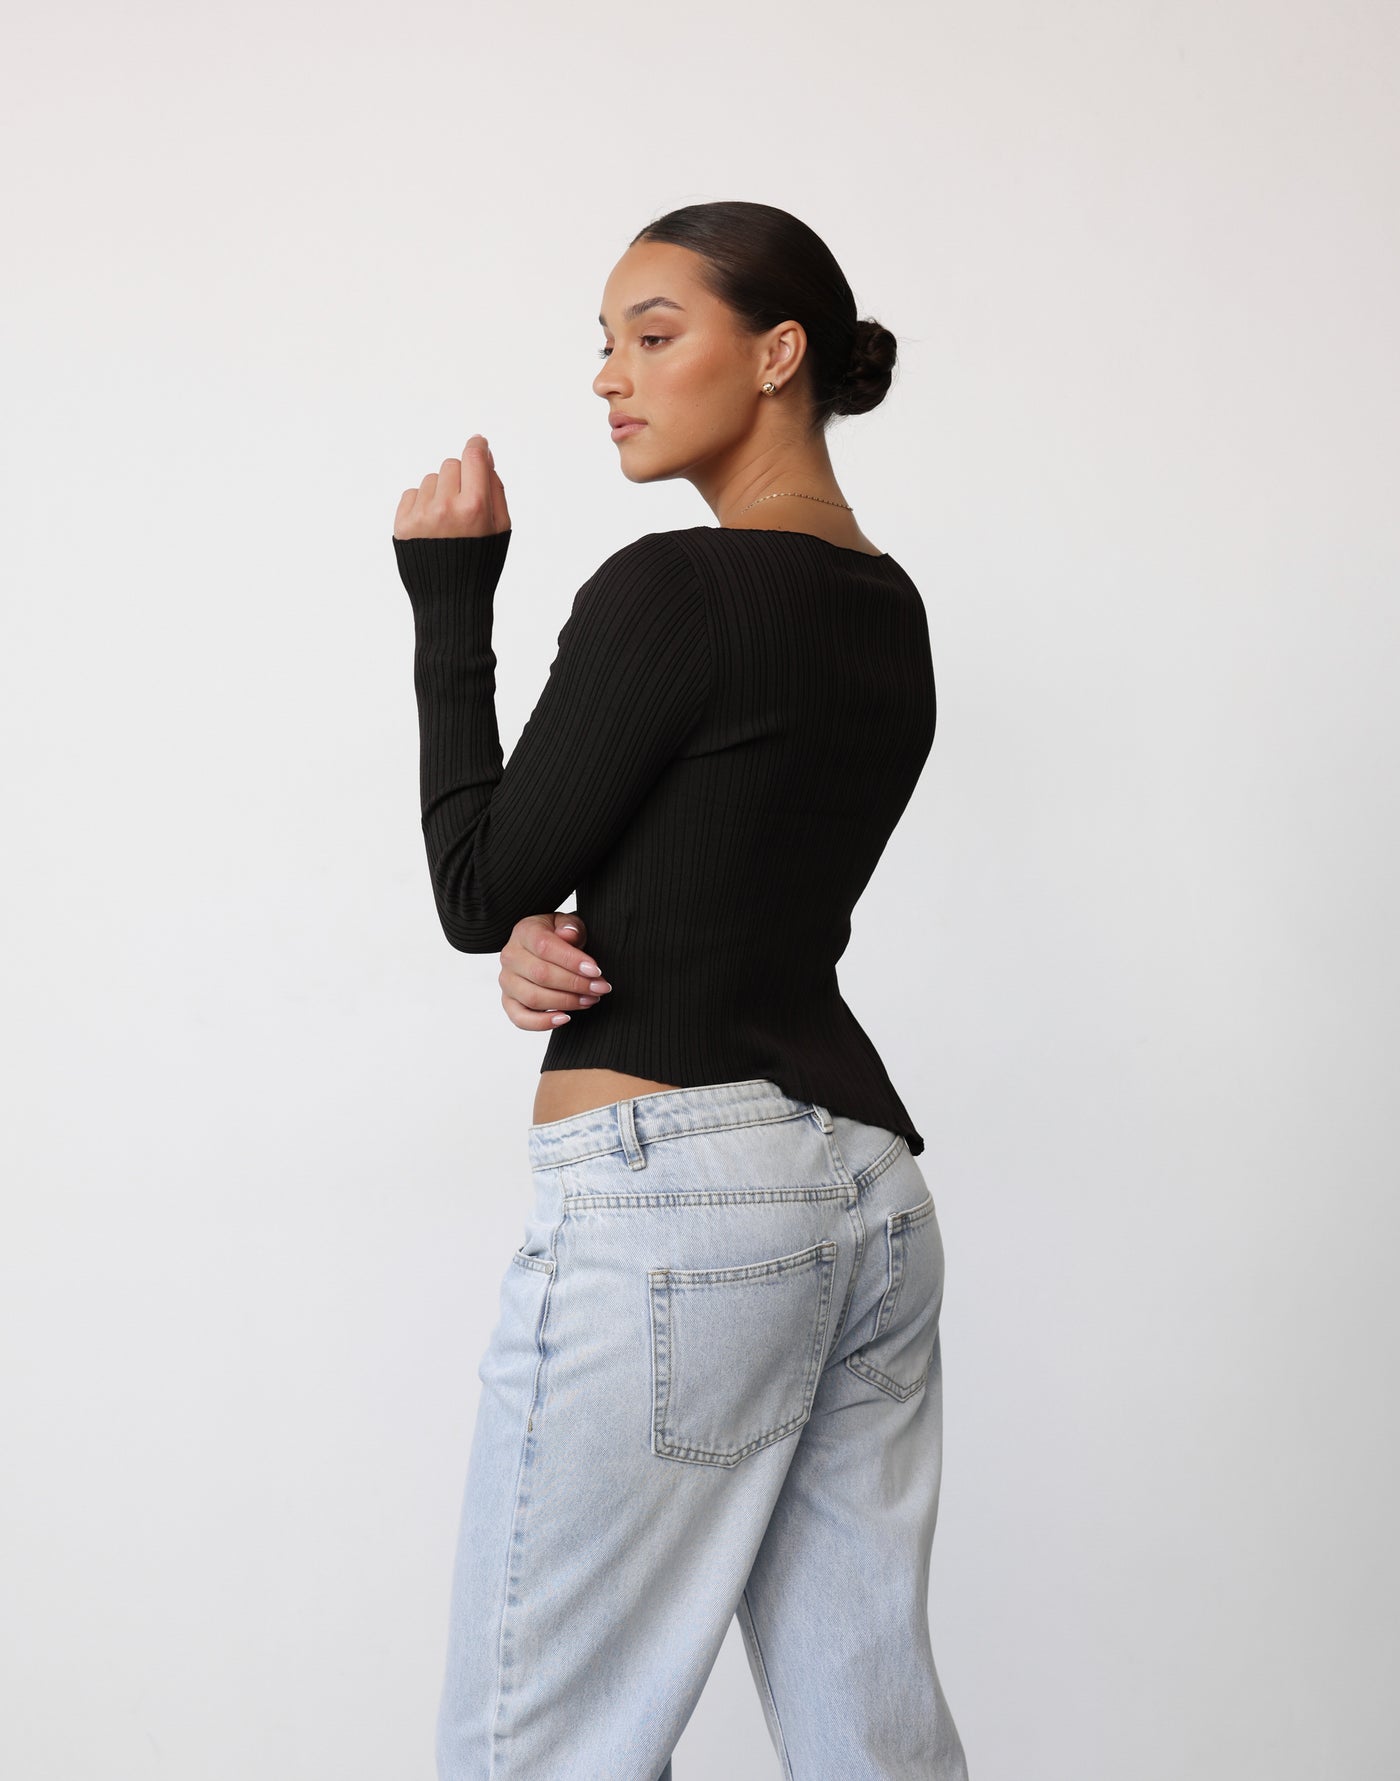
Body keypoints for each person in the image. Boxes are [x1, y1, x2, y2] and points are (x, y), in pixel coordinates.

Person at [392, 200, 970, 1781]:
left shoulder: (677, 589)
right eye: (605, 344)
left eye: (655, 335)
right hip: (865, 1197)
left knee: (536, 1745)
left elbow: (476, 883)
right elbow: (720, 865)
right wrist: (562, 928)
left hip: (679, 1202)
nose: (611, 376)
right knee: (871, 1742)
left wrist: (450, 597)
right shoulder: (891, 609)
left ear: (778, 355)